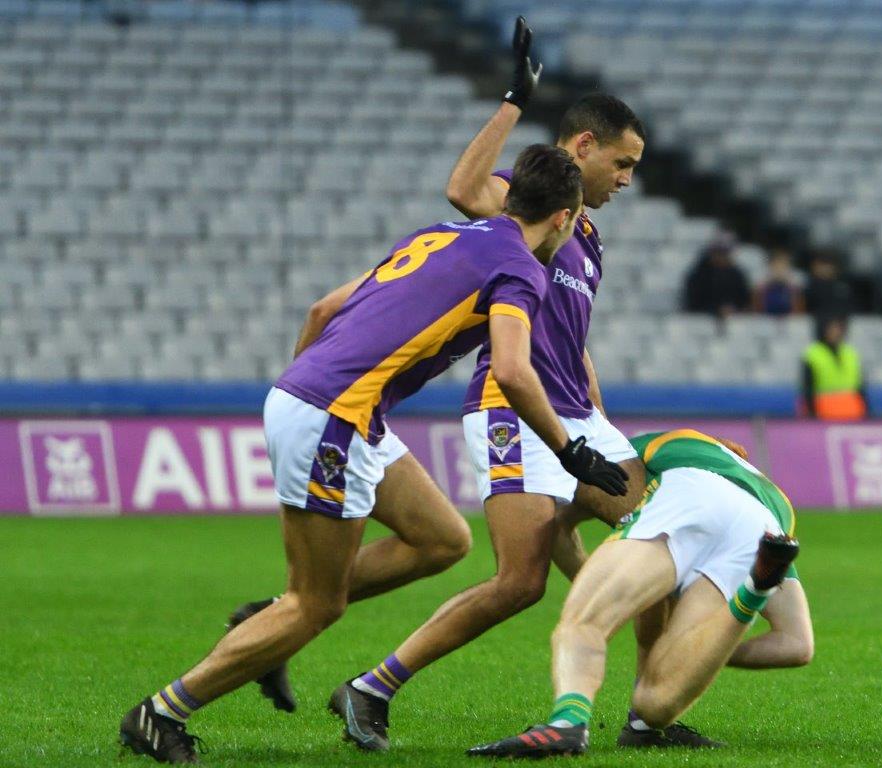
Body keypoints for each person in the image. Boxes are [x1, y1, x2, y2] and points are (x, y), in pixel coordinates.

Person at [116, 144, 629, 765]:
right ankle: (162, 712)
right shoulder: (521, 267)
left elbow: (323, 309)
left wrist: (301, 391)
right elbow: (516, 373)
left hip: (329, 405)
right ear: (561, 219)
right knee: (318, 604)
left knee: (442, 538)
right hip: (334, 417)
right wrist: (570, 450)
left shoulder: (444, 234)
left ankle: (267, 622)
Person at [335, 17, 677, 753]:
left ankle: (650, 715)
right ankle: (369, 682)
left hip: (578, 416)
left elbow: (574, 342)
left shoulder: (583, 234)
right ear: (582, 147)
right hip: (513, 409)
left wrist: (598, 417)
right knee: (520, 584)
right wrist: (516, 99)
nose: (626, 180)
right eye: (622, 163)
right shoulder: (530, 215)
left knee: (660, 542)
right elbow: (463, 188)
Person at [466, 429, 811, 758]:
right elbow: (797, 644)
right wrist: (705, 654)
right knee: (654, 703)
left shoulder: (654, 444)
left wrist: (610, 600)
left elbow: (560, 521)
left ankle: (567, 723)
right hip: (759, 531)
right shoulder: (777, 505)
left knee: (584, 623)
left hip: (693, 492)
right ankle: (752, 592)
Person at [802, 313, 869, 420]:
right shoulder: (813, 354)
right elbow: (808, 389)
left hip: (853, 412)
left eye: (838, 328)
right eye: (832, 328)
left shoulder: (850, 353)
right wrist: (812, 414)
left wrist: (866, 411)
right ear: (824, 330)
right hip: (824, 412)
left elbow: (860, 387)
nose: (836, 332)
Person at [680, 232, 751, 318]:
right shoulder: (698, 275)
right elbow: (693, 304)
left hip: (733, 319)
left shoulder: (736, 274)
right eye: (719, 252)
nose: (723, 256)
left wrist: (734, 309)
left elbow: (744, 300)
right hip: (704, 320)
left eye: (726, 252)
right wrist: (717, 310)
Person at [753, 248, 804, 316]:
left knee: (794, 292)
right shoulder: (761, 274)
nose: (780, 266)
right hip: (766, 311)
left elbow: (799, 295)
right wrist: (771, 280)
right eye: (777, 263)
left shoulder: (796, 275)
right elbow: (756, 292)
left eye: (783, 263)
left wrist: (785, 280)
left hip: (789, 311)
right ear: (772, 264)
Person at [804, 249, 852, 319]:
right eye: (821, 265)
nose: (824, 269)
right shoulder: (808, 286)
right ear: (813, 266)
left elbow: (849, 309)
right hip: (814, 323)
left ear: (834, 267)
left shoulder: (842, 287)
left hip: (839, 322)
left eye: (827, 265)